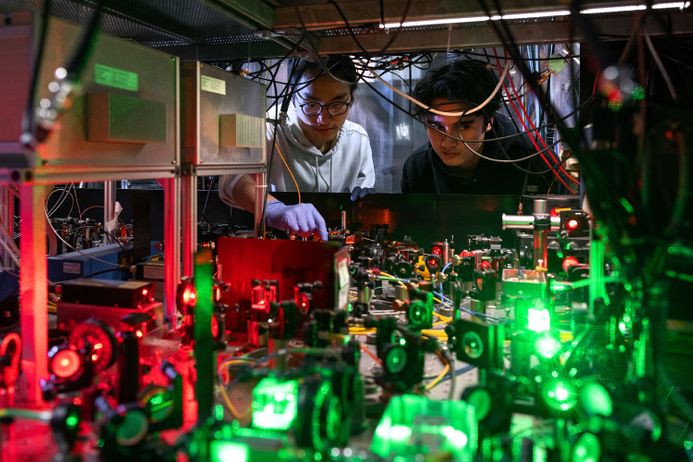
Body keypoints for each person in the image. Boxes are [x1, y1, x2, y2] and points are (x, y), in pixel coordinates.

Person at [220, 56, 375, 240]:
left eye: (337, 104)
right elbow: (231, 179)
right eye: (311, 105)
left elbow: (363, 194)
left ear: (351, 98)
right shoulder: (267, 129)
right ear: (292, 97)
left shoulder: (357, 139)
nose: (323, 119)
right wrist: (272, 208)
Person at [401, 59, 550, 194]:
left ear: (489, 122)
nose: (447, 142)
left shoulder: (533, 162)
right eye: (437, 127)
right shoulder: (417, 169)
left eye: (463, 127)